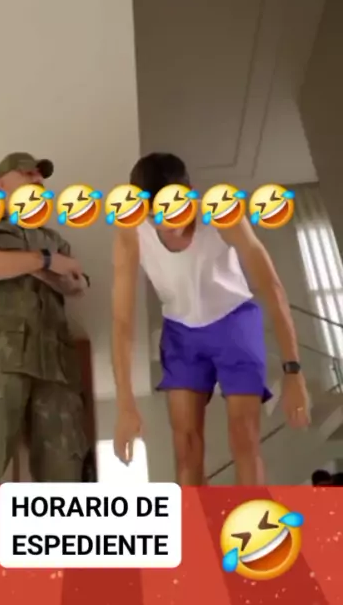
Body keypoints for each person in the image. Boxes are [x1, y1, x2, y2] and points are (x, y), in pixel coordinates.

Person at [111, 152, 310, 486]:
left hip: (234, 322)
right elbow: (121, 321)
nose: (169, 224)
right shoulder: (130, 231)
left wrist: (293, 371)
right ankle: (194, 520)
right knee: (186, 447)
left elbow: (271, 287)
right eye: (157, 216)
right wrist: (125, 403)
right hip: (180, 332)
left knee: (244, 437)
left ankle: (252, 517)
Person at [0, 152, 90, 485]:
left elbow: (77, 284)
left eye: (40, 176)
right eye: (27, 173)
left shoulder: (54, 239)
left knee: (64, 476)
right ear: (2, 183)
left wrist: (29, 264)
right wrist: (45, 262)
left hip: (56, 368)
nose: (37, 180)